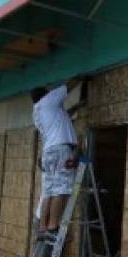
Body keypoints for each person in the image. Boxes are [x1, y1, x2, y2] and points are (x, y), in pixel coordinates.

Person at [31, 78, 86, 234]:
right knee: (60, 189)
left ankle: (43, 226)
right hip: (61, 149)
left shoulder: (37, 112)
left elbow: (62, 116)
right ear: (45, 95)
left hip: (48, 152)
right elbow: (67, 87)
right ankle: (53, 224)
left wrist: (77, 106)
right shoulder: (48, 100)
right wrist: (82, 75)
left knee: (48, 191)